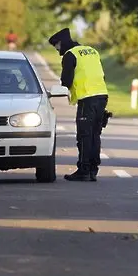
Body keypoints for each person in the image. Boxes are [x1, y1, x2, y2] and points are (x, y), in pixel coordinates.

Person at [48, 28, 109, 182]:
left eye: (56, 46)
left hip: (86, 98)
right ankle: (93, 169)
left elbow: (66, 81)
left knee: (84, 135)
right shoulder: (91, 51)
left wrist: (61, 89)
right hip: (102, 95)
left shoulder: (70, 55)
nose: (57, 50)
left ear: (62, 43)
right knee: (95, 134)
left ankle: (83, 169)